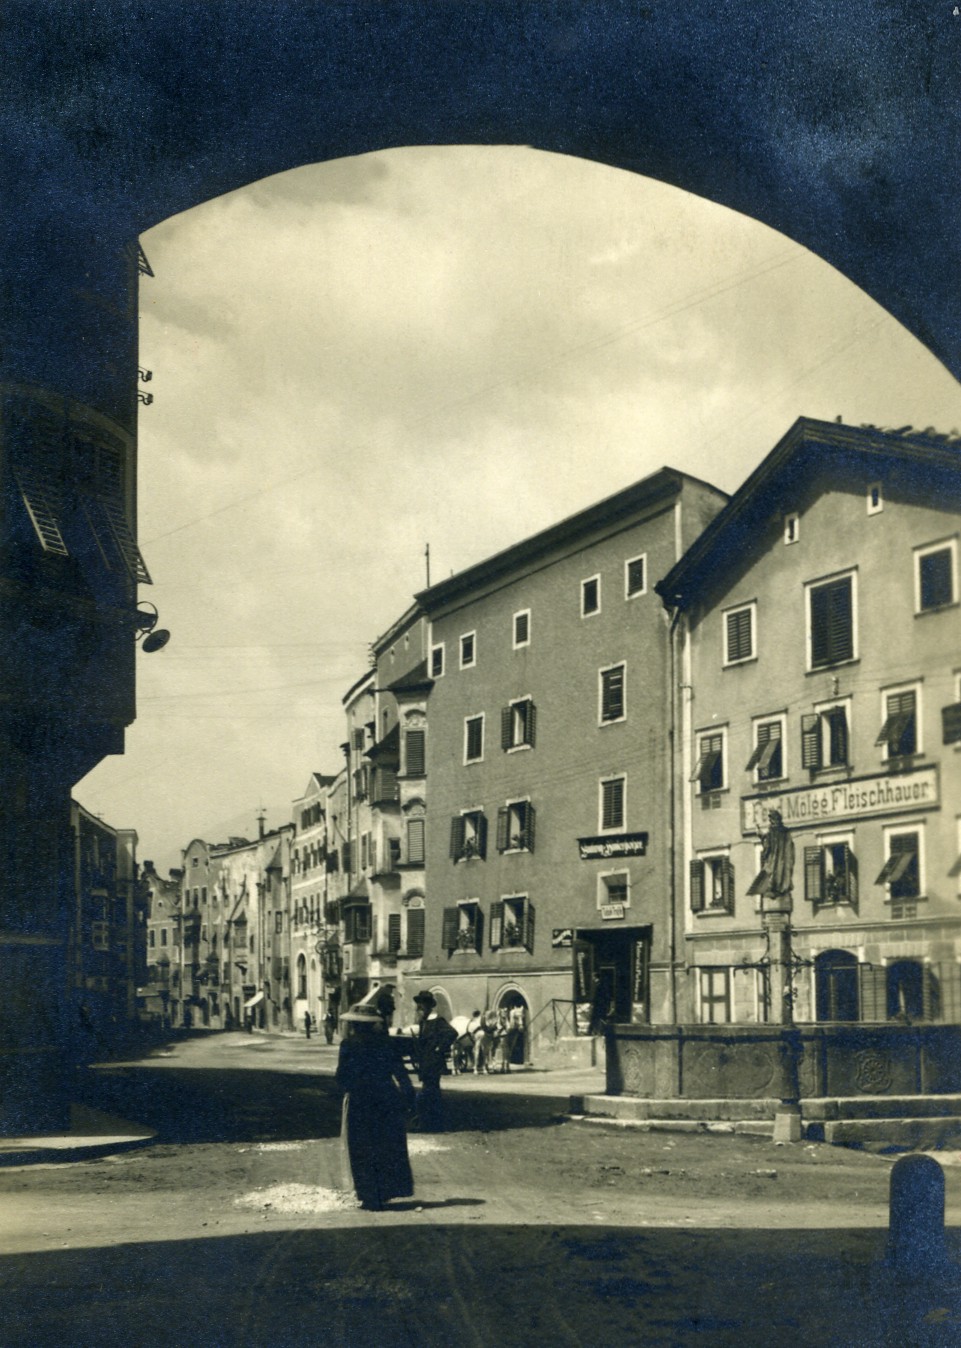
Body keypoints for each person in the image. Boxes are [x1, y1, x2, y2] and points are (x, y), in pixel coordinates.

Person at [336, 1002, 416, 1211]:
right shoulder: (386, 1043)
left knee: (362, 1146)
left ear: (354, 1024)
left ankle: (368, 1195)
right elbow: (400, 1073)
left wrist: (348, 1087)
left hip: (361, 1101)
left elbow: (341, 1076)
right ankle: (385, 1191)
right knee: (385, 1145)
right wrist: (408, 1096)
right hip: (387, 1098)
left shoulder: (348, 1044)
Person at [411, 990, 457, 1131]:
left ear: (429, 1006)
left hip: (433, 1062)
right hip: (426, 1062)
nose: (420, 1008)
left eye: (422, 1005)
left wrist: (439, 1048)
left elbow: (452, 1033)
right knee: (431, 1091)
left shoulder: (437, 1021)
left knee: (430, 1091)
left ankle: (430, 1123)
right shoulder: (423, 1022)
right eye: (419, 1006)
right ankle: (431, 1122)